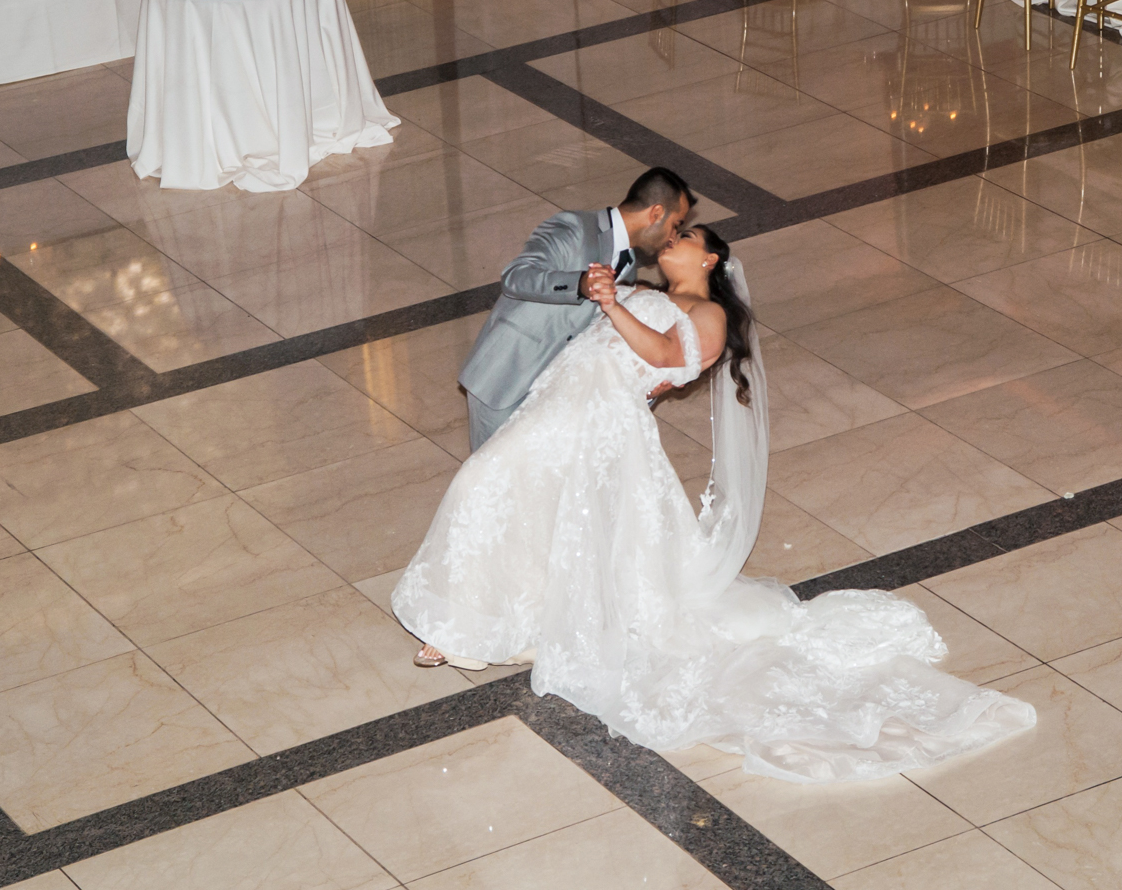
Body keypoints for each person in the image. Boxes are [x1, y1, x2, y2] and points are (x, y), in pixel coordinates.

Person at [393, 225, 1035, 784]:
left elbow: (668, 357)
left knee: (483, 483)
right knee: (526, 510)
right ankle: (488, 620)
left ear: (711, 262)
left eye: (688, 238)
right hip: (561, 408)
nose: (673, 240)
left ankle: (459, 627)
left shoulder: (707, 317)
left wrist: (614, 306)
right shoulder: (650, 295)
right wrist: (598, 298)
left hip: (591, 424)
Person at [457, 167, 694, 452]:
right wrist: (578, 283)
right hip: (506, 375)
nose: (673, 237)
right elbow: (516, 276)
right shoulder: (576, 227)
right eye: (676, 224)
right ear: (656, 213)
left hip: (552, 392)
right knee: (489, 486)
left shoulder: (628, 267)